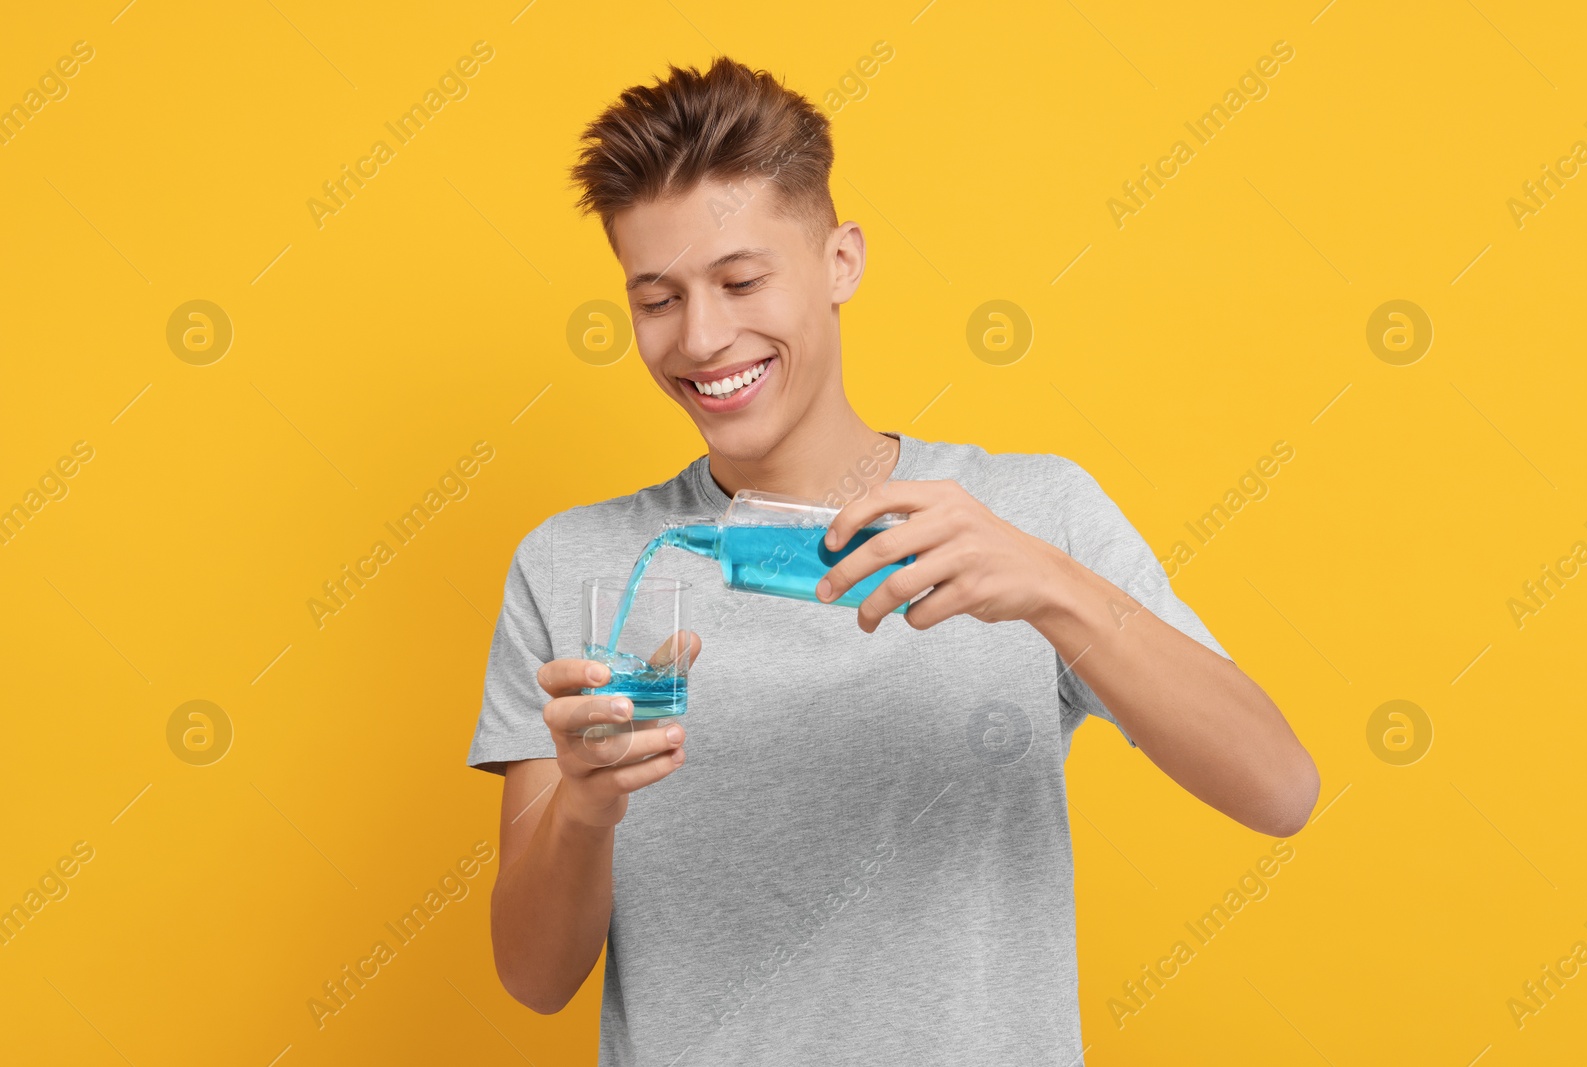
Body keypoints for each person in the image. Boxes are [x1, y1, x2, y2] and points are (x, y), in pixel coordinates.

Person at [466, 55, 1318, 1065]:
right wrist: (587, 806)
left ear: (840, 262)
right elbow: (533, 975)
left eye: (741, 280)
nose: (701, 337)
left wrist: (1055, 590)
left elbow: (1279, 789)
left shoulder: (1026, 514)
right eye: (656, 298)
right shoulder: (574, 566)